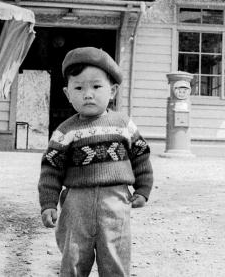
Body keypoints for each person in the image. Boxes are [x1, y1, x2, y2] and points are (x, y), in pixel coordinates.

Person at [38, 46, 153, 277]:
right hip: (76, 205)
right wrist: (48, 203)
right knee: (73, 258)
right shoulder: (65, 131)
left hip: (116, 201)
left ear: (113, 90)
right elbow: (51, 169)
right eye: (78, 88)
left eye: (96, 86)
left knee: (115, 257)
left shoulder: (123, 124)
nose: (87, 94)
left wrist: (143, 188)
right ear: (67, 93)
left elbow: (140, 155)